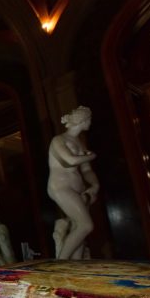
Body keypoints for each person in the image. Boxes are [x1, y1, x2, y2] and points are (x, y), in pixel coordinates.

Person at [47, 105, 99, 259]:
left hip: (79, 189)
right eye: (88, 118)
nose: (90, 121)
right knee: (86, 225)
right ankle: (62, 264)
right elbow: (69, 161)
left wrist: (95, 185)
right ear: (82, 120)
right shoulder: (58, 140)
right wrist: (91, 156)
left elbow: (86, 170)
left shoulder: (80, 143)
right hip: (61, 187)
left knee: (79, 228)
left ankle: (76, 266)